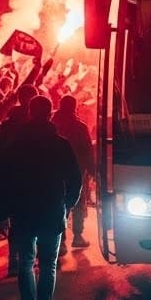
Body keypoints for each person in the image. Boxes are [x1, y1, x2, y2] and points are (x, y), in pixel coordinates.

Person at [0, 96, 83, 300]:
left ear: (30, 112)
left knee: (26, 263)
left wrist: (1, 212)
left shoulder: (16, 145)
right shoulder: (60, 144)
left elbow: (2, 181)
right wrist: (68, 204)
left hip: (23, 212)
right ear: (50, 113)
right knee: (48, 265)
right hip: (52, 210)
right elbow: (75, 178)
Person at [52, 94, 95, 249]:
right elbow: (88, 151)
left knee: (57, 204)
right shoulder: (79, 126)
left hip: (54, 171)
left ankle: (60, 239)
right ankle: (77, 236)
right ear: (74, 107)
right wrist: (93, 170)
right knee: (77, 203)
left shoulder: (52, 124)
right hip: (76, 171)